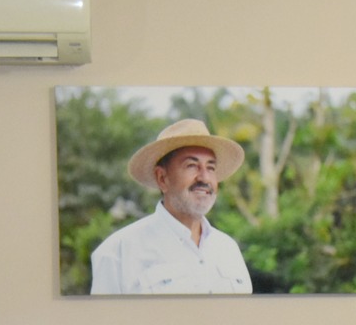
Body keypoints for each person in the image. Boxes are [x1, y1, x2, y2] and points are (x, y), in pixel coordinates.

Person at [89, 119, 253, 295]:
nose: (204, 178)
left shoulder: (228, 249)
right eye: (191, 166)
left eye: (211, 167)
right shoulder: (117, 253)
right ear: (162, 178)